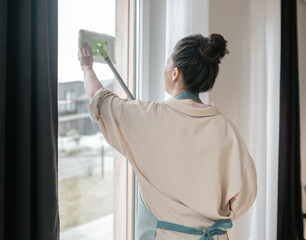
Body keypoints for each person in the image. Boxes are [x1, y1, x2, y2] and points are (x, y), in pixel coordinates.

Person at [78, 33, 257, 240]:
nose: (164, 69)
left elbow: (100, 99)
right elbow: (246, 192)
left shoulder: (148, 117)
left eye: (167, 64)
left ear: (175, 73)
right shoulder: (227, 129)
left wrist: (87, 67)